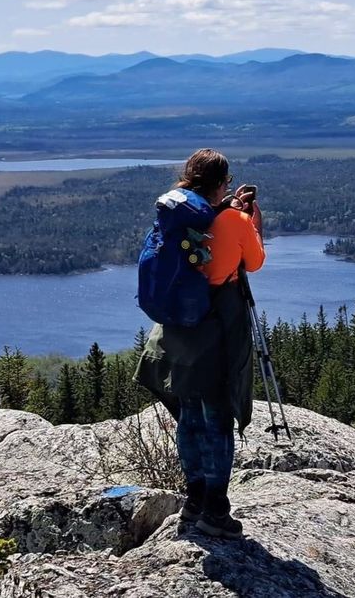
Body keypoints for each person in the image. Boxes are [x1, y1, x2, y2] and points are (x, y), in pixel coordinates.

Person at [134, 148, 265, 539]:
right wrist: (250, 218)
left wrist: (229, 207)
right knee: (218, 420)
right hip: (216, 331)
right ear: (222, 183)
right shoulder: (235, 220)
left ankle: (193, 503)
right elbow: (254, 262)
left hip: (180, 331)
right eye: (226, 182)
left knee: (190, 415)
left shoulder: (178, 217)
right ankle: (216, 510)